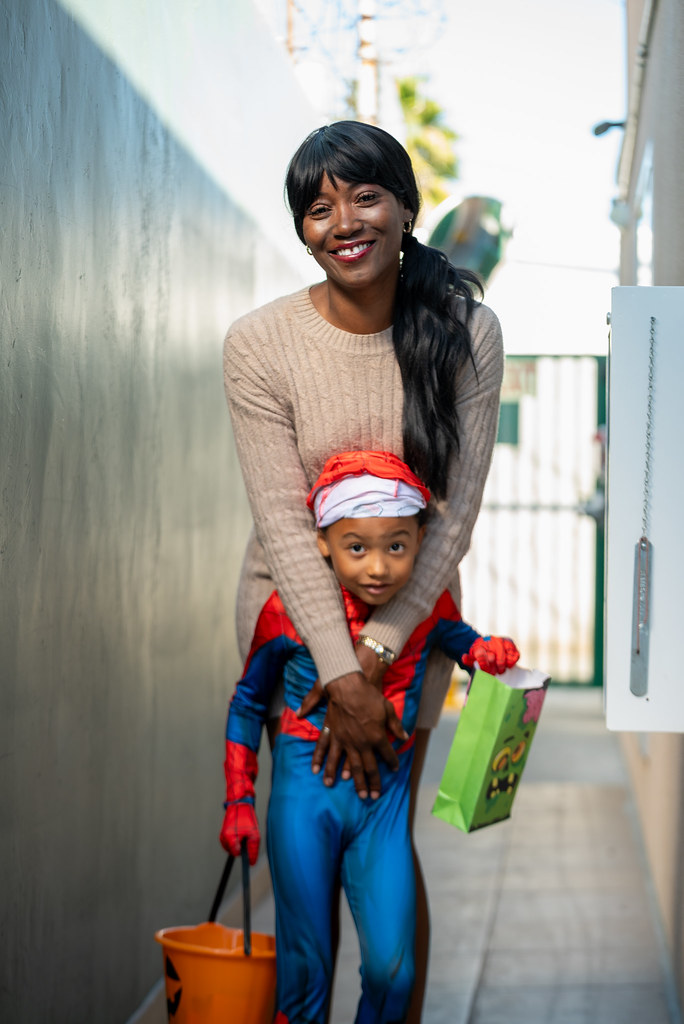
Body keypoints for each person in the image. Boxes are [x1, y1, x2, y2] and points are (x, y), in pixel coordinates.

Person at [223, 119, 505, 1020]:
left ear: (405, 206)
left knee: (384, 836)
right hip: (295, 634)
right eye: (317, 206)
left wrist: (380, 655)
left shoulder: (466, 331)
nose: (343, 220)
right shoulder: (260, 345)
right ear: (302, 229)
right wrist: (340, 677)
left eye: (364, 195)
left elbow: (454, 513)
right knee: (314, 851)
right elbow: (278, 517)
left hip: (415, 619)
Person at [220, 451, 519, 1024]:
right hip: (303, 808)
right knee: (304, 975)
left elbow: (463, 640)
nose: (378, 568)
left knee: (392, 973)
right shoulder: (286, 614)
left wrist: (489, 653)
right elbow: (247, 701)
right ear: (323, 544)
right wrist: (238, 801)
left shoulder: (427, 608)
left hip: (381, 815)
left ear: (420, 540)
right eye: (357, 547)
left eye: (397, 547)